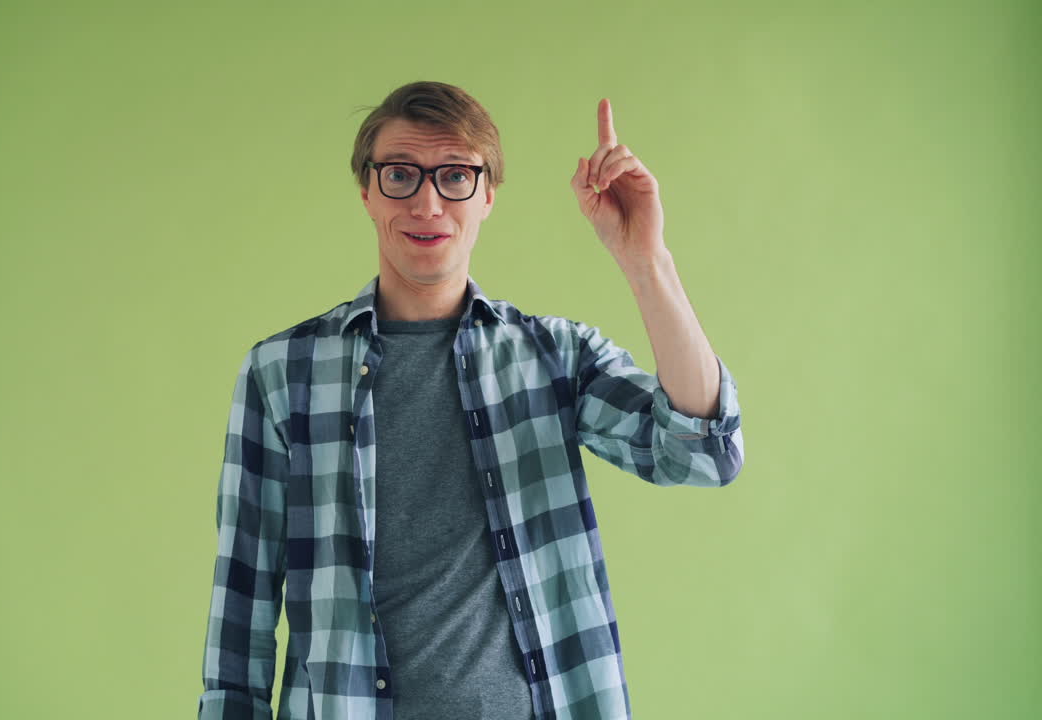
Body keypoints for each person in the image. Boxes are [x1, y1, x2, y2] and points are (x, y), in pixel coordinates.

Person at [197, 80, 744, 720]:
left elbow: (703, 453)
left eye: (455, 176)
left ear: (487, 195)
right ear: (368, 193)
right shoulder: (282, 371)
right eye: (401, 175)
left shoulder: (555, 356)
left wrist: (645, 258)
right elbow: (243, 604)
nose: (428, 202)